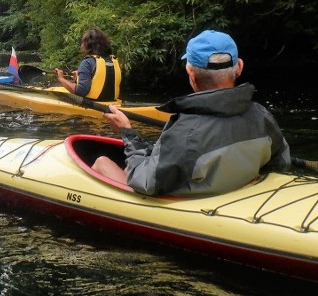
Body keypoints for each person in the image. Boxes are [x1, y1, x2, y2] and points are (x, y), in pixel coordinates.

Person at [92, 30, 291, 197]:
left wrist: (127, 133)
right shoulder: (262, 116)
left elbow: (146, 182)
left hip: (189, 203)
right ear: (239, 67)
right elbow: (281, 163)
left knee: (102, 162)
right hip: (238, 194)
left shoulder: (185, 131)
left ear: (191, 74)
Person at [55, 28, 122, 101]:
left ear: (88, 45)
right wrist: (79, 77)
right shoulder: (113, 61)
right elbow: (103, 80)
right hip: (113, 103)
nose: (81, 45)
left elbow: (81, 91)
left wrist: (61, 78)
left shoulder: (87, 62)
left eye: (83, 42)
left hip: (93, 104)